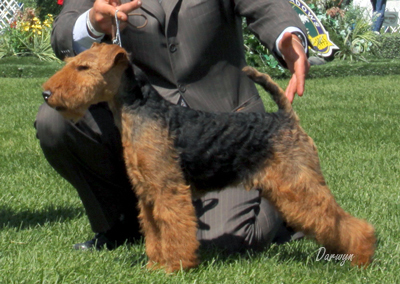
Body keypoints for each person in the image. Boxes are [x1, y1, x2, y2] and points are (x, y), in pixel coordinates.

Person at [35, 0, 310, 252]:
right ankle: (121, 224)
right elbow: (64, 29)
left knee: (225, 244)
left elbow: (266, 4)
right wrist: (92, 23)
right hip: (143, 114)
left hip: (225, 127)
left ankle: (281, 205)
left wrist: (286, 35)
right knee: (55, 121)